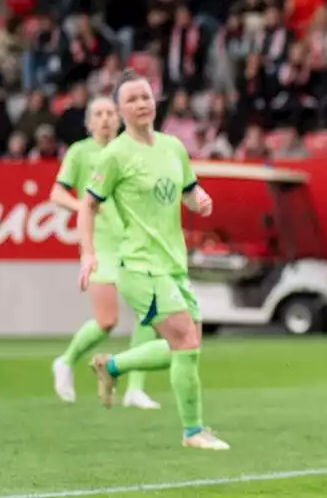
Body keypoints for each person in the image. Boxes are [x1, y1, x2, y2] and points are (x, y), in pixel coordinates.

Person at [78, 71, 228, 450]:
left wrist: (201, 201)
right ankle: (193, 432)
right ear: (120, 109)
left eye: (145, 96)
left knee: (184, 347)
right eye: (132, 99)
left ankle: (112, 367)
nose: (141, 104)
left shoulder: (173, 146)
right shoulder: (114, 155)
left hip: (173, 263)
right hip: (139, 265)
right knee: (185, 342)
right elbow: (88, 205)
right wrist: (89, 253)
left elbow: (190, 192)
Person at [51, 96, 162, 410]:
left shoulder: (131, 149)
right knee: (107, 320)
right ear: (88, 122)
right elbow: (57, 192)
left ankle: (135, 389)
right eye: (98, 114)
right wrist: (82, 207)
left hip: (133, 243)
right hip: (99, 246)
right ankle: (66, 361)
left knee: (150, 313)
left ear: (120, 117)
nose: (105, 119)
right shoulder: (80, 152)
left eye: (110, 113)